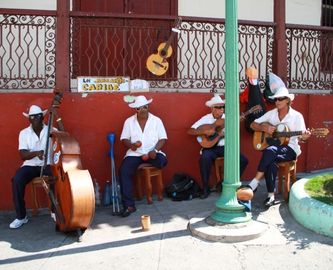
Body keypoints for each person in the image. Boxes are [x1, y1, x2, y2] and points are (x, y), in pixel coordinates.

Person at [247, 84, 311, 208]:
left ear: (288, 100)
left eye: (280, 99)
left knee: (269, 151)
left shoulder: (297, 116)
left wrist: (304, 136)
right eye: (275, 99)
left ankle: (254, 183)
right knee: (271, 161)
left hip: (290, 149)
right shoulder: (271, 114)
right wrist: (264, 127)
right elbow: (252, 125)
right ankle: (271, 195)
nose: (277, 101)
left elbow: (301, 138)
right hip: (274, 149)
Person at [187, 95, 249, 199]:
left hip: (225, 147)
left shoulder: (229, 118)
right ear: (212, 108)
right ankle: (205, 188)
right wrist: (204, 131)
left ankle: (224, 183)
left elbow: (235, 133)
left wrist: (237, 123)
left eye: (222, 107)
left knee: (243, 160)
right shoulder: (206, 118)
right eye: (218, 107)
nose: (221, 109)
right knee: (204, 158)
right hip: (211, 147)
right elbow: (190, 131)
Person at [119, 95, 168, 217]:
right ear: (135, 109)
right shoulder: (129, 121)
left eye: (145, 107)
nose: (142, 109)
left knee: (162, 161)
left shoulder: (157, 120)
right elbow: (124, 139)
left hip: (152, 153)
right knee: (124, 171)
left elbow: (163, 139)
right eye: (139, 108)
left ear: (148, 107)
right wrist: (132, 145)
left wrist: (155, 150)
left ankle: (144, 163)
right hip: (135, 154)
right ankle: (129, 205)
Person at [10, 105, 53, 229]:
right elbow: (23, 155)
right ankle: (21, 217)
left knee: (59, 178)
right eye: (32, 116)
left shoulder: (51, 129)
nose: (35, 118)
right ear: (29, 119)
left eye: (38, 116)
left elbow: (64, 136)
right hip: (31, 165)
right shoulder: (24, 133)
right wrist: (36, 153)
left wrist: (58, 117)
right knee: (17, 180)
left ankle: (57, 211)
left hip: (47, 164)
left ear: (43, 116)